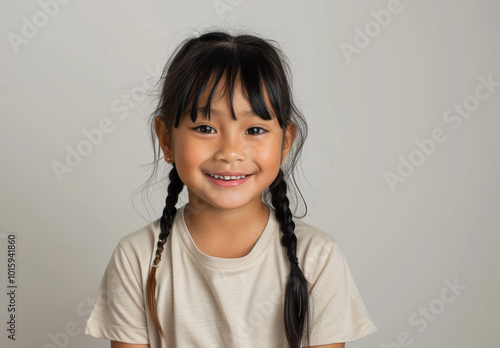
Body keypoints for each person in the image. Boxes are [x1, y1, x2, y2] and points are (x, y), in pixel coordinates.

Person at [84, 29, 377, 348]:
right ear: (166, 139)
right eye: (205, 128)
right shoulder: (136, 258)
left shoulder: (317, 259)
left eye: (254, 129)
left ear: (285, 143)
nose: (230, 152)